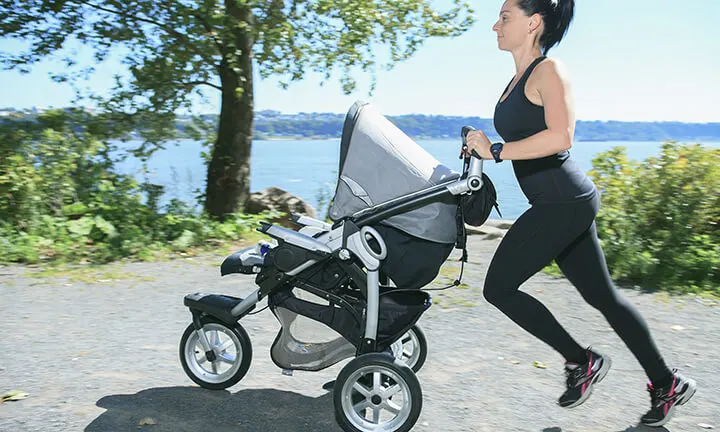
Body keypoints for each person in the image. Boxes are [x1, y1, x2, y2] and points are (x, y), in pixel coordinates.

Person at [463, 0, 696, 427]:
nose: (495, 25)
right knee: (602, 297)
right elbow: (525, 133)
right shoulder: (516, 79)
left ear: (533, 23)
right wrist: (481, 140)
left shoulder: (550, 71)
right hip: (557, 202)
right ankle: (666, 383)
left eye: (505, 16)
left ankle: (581, 361)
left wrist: (496, 150)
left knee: (498, 287)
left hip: (562, 201)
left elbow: (559, 135)